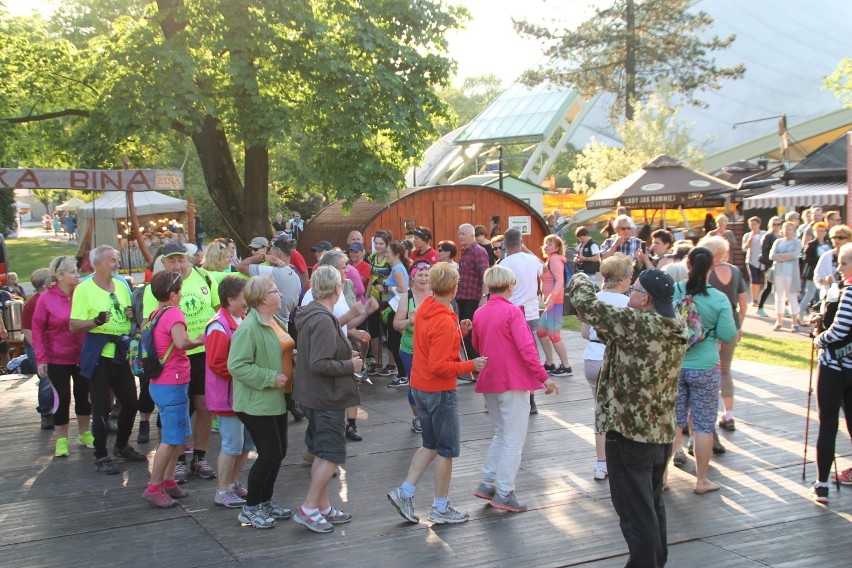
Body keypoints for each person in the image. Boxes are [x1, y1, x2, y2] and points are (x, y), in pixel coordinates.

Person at [568, 268, 689, 567]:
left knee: (635, 515)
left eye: (632, 290)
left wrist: (582, 277)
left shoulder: (635, 324)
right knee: (651, 506)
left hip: (629, 435)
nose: (627, 294)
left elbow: (587, 305)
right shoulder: (674, 322)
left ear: (645, 299)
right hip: (660, 434)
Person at [387, 263, 487, 525]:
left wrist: (459, 332)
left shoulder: (424, 310)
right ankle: (440, 507)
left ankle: (405, 492)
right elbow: (440, 366)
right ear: (454, 288)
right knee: (446, 450)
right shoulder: (444, 318)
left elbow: (433, 346)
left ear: (431, 285)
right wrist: (470, 365)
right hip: (438, 391)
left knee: (430, 444)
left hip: (419, 386)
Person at [471, 265, 558, 512]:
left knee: (501, 433)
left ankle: (488, 482)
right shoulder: (512, 312)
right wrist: (544, 377)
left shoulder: (480, 313)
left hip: (490, 378)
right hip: (512, 380)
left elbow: (477, 343)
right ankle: (504, 491)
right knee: (513, 439)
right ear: (510, 286)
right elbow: (527, 348)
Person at [293, 266, 362, 533]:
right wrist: (350, 365)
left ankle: (322, 506)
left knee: (322, 452)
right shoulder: (322, 319)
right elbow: (319, 363)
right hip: (326, 398)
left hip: (313, 395)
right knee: (330, 454)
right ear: (336, 289)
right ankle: (309, 508)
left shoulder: (312, 313)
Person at [142, 242, 219, 483]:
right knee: (176, 410)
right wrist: (177, 338)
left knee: (205, 405)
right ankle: (176, 463)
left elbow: (219, 311)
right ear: (163, 263)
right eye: (171, 261)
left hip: (204, 352)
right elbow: (147, 325)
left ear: (190, 259)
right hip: (173, 358)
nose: (177, 265)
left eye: (181, 260)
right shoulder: (157, 287)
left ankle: (199, 456)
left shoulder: (204, 277)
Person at [69, 245, 146, 475]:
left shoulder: (121, 286)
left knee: (131, 402)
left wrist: (129, 314)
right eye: (113, 260)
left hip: (120, 353)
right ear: (98, 263)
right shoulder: (84, 289)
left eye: (117, 259)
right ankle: (101, 455)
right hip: (99, 355)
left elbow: (124, 311)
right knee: (101, 407)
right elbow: (73, 325)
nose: (117, 263)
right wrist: (95, 321)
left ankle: (122, 445)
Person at [228, 276, 294, 528]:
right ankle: (251, 506)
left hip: (277, 398)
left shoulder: (273, 321)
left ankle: (265, 500)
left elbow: (282, 348)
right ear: (264, 298)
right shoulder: (248, 328)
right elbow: (237, 365)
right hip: (257, 402)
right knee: (270, 454)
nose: (280, 294)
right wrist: (269, 377)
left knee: (279, 452)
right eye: (276, 291)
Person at [670, 247, 738, 494]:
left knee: (673, 422)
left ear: (687, 265)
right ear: (711, 268)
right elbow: (728, 335)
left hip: (675, 364)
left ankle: (664, 478)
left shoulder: (675, 290)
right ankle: (701, 480)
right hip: (706, 366)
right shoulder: (718, 298)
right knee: (703, 424)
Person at [142, 271, 205, 508]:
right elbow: (181, 342)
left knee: (177, 436)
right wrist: (199, 340)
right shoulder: (174, 313)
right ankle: (154, 486)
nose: (181, 295)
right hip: (173, 381)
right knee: (170, 439)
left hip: (162, 382)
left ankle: (168, 481)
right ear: (172, 294)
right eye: (179, 291)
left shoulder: (156, 313)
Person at [581, 253, 633, 481]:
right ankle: (621, 460)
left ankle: (601, 463)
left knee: (600, 410)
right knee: (621, 412)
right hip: (616, 359)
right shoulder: (628, 303)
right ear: (623, 279)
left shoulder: (593, 299)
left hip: (592, 358)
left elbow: (584, 333)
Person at [32, 257, 91, 457]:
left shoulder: (82, 293)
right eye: (73, 272)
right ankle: (62, 439)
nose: (77, 275)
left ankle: (84, 434)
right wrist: (41, 358)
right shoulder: (46, 298)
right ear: (59, 276)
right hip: (57, 356)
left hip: (82, 354)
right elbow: (38, 330)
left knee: (84, 395)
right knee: (62, 397)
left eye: (77, 271)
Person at [206, 276, 253, 508]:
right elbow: (217, 363)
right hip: (227, 398)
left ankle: (232, 483)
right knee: (232, 444)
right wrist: (247, 373)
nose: (247, 301)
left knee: (244, 445)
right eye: (243, 296)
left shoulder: (240, 319)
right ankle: (222, 490)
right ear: (230, 299)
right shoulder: (218, 326)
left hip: (239, 395)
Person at [811, 242, 852, 503]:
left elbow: (839, 330)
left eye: (844, 263)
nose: (839, 267)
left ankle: (822, 484)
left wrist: (819, 339)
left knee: (828, 426)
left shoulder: (849, 293)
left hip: (834, 368)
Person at [700, 236, 747, 435]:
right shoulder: (735, 271)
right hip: (732, 323)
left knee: (707, 372)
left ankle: (706, 414)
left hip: (709, 326)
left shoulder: (706, 274)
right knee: (726, 371)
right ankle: (729, 414)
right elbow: (744, 304)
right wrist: (739, 326)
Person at [498, 228, 544, 413]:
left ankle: (513, 392)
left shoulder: (503, 263)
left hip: (511, 312)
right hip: (531, 312)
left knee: (510, 353)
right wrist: (526, 249)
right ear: (521, 241)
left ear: (505, 244)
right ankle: (531, 399)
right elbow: (544, 267)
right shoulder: (532, 260)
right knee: (530, 354)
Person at [394, 260, 433, 432]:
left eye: (427, 275)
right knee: (416, 385)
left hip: (433, 349)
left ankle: (431, 415)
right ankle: (418, 417)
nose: (424, 278)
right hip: (411, 349)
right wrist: (409, 321)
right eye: (420, 275)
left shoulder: (436, 295)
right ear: (412, 277)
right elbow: (396, 324)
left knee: (432, 383)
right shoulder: (407, 297)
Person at [236, 239, 301, 325]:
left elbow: (240, 266)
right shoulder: (296, 277)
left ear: (277, 255)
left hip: (266, 324)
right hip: (284, 326)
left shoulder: (273, 272)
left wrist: (263, 257)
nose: (268, 258)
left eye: (270, 254)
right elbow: (293, 306)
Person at [21, 268, 54, 429]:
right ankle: (46, 413)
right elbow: (27, 329)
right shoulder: (33, 302)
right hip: (36, 346)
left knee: (54, 378)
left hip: (53, 346)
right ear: (45, 284)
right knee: (46, 378)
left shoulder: (53, 299)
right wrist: (39, 350)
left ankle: (54, 409)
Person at [538, 235, 572, 376]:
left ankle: (566, 367)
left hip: (555, 302)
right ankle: (550, 363)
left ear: (557, 248)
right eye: (546, 243)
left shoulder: (555, 259)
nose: (546, 246)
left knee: (554, 335)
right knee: (541, 332)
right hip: (551, 302)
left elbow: (559, 281)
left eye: (550, 244)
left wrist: (552, 298)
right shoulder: (549, 260)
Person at [457, 223, 489, 360]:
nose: (460, 236)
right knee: (464, 333)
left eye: (463, 233)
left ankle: (476, 365)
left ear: (472, 235)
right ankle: (473, 365)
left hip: (473, 299)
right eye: (459, 233)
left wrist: (484, 297)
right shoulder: (465, 251)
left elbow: (485, 275)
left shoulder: (478, 251)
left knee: (468, 333)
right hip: (463, 298)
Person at [383, 241, 410, 387]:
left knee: (394, 343)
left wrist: (386, 289)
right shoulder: (397, 268)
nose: (386, 254)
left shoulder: (397, 270)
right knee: (394, 342)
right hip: (396, 308)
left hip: (396, 309)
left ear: (396, 254)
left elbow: (403, 288)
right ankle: (403, 373)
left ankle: (403, 375)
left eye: (388, 252)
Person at [367, 231, 393, 375]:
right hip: (374, 298)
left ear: (387, 244)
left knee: (388, 331)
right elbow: (371, 277)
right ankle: (377, 362)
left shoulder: (390, 259)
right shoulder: (372, 257)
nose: (378, 246)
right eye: (376, 243)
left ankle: (391, 364)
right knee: (374, 331)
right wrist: (367, 295)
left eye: (381, 243)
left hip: (387, 300)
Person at [768, 221, 803, 331]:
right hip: (779, 272)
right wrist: (782, 257)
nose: (787, 232)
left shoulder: (797, 242)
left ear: (794, 231)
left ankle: (795, 322)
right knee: (779, 297)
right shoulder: (778, 242)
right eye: (786, 229)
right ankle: (779, 321)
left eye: (790, 229)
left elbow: (795, 254)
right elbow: (772, 255)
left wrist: (785, 256)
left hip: (791, 274)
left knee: (792, 297)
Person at [800, 221, 832, 319]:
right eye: (818, 231)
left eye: (823, 231)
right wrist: (821, 259)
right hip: (813, 273)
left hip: (828, 273)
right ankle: (799, 315)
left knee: (826, 295)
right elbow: (806, 259)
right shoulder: (811, 244)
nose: (821, 233)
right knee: (809, 294)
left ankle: (823, 315)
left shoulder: (829, 243)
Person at [814, 224, 852, 302]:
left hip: (848, 295)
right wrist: (825, 280)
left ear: (848, 239)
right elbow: (817, 277)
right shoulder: (826, 256)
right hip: (831, 297)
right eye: (834, 237)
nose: (836, 240)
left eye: (840, 238)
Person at [756, 216, 783, 317]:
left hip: (781, 265)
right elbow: (764, 252)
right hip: (770, 265)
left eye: (778, 224)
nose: (776, 226)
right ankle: (760, 307)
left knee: (781, 287)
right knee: (768, 287)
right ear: (770, 225)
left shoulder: (782, 236)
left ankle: (782, 308)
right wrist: (769, 265)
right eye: (774, 224)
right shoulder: (768, 236)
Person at [741, 216, 765, 307]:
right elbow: (744, 248)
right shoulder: (747, 235)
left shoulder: (764, 234)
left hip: (762, 260)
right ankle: (754, 299)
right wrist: (749, 240)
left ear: (759, 224)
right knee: (754, 279)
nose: (753, 226)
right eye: (751, 224)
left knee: (760, 280)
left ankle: (759, 298)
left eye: (755, 224)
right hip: (751, 260)